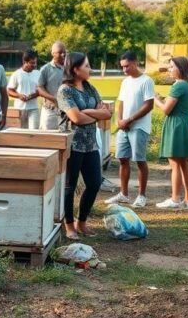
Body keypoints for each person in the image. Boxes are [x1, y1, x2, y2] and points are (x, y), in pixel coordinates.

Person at [56, 52, 112, 240]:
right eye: (87, 66)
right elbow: (75, 118)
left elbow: (107, 114)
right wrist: (93, 114)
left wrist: (87, 112)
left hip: (90, 144)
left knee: (94, 184)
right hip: (72, 145)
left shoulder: (90, 88)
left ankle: (82, 222)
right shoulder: (65, 90)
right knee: (70, 187)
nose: (90, 69)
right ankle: (69, 225)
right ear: (75, 69)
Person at [105, 51, 156, 208]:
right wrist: (120, 120)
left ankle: (142, 195)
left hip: (139, 127)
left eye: (127, 66)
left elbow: (149, 105)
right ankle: (124, 194)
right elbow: (121, 102)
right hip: (124, 127)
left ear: (135, 63)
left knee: (140, 160)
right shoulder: (125, 82)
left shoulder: (146, 81)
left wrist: (130, 120)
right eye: (122, 67)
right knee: (122, 159)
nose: (124, 70)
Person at [154, 57, 188, 211]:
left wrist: (156, 99)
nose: (170, 69)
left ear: (181, 68)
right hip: (185, 123)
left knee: (175, 163)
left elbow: (166, 110)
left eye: (172, 66)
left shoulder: (179, 86)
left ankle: (175, 198)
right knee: (184, 163)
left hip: (177, 125)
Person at [36, 41, 67, 130]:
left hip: (66, 112)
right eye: (60, 52)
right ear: (52, 53)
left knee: (64, 139)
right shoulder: (45, 69)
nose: (63, 55)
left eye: (64, 52)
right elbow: (40, 88)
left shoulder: (69, 69)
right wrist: (54, 99)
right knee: (47, 139)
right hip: (50, 111)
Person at [7, 51, 41, 129]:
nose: (34, 65)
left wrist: (33, 95)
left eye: (35, 63)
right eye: (32, 63)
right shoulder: (16, 74)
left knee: (33, 133)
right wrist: (19, 96)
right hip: (19, 108)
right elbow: (9, 90)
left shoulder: (38, 73)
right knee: (21, 133)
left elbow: (41, 90)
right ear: (24, 62)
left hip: (34, 108)